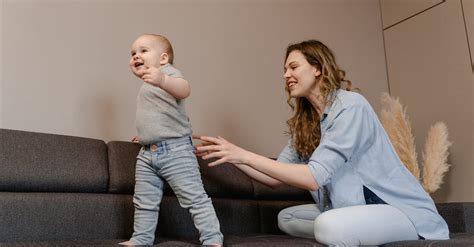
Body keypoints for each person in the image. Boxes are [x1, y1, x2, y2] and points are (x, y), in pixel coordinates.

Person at [194, 39, 449, 246]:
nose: (286, 75)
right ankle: (358, 232)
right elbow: (273, 179)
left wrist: (242, 154)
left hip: (399, 211)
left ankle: (356, 232)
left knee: (328, 225)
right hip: (352, 208)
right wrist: (230, 153)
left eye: (293, 67)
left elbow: (314, 177)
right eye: (285, 70)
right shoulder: (307, 123)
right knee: (288, 217)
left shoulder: (350, 106)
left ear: (317, 68)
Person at [120, 34, 223, 246]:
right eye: (133, 53)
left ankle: (212, 239)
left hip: (176, 151)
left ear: (164, 59)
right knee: (144, 201)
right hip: (147, 153)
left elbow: (185, 90)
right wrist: (146, 134)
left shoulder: (168, 74)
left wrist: (163, 79)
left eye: (143, 51)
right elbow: (157, 113)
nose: (136, 56)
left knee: (194, 198)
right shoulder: (147, 85)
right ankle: (141, 238)